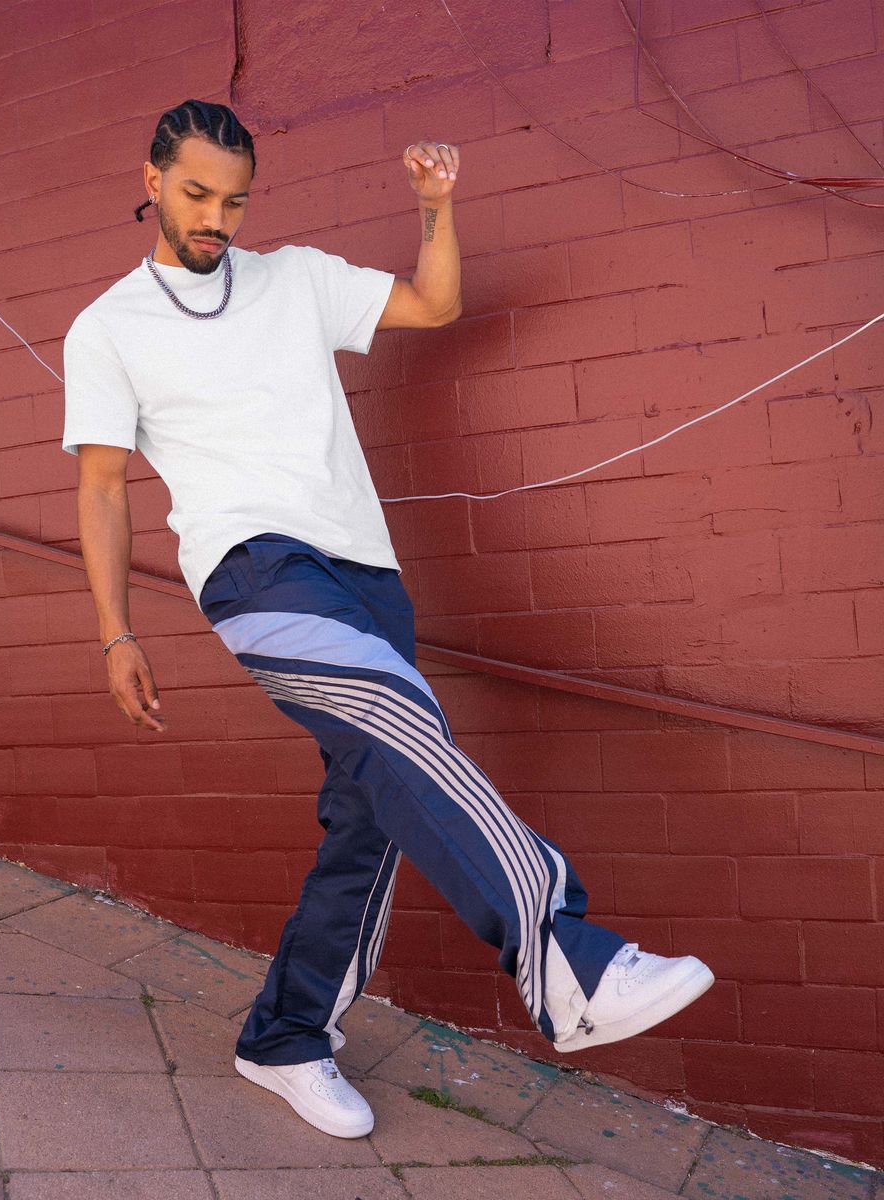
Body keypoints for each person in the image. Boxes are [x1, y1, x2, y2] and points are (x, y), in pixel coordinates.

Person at [62, 98, 714, 1141]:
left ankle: (285, 1036)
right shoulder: (106, 329)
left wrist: (434, 210)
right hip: (255, 573)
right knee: (407, 727)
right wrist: (114, 629)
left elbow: (433, 306)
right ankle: (563, 957)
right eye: (194, 193)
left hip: (367, 576)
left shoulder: (298, 278)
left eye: (233, 200)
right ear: (149, 179)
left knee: (372, 817)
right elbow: (102, 490)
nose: (214, 217)